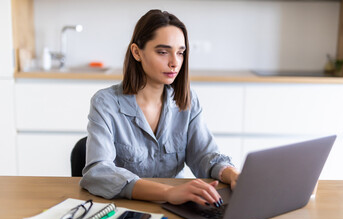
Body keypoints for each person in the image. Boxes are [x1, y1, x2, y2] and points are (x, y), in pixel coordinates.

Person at [80, 9, 240, 208]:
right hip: (125, 209)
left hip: (177, 208)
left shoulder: (188, 100)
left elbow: (204, 156)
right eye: (163, 52)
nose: (174, 63)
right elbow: (98, 171)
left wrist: (233, 174)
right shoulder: (106, 103)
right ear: (137, 52)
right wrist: (169, 192)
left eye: (180, 53)